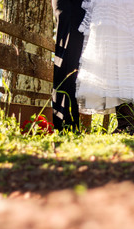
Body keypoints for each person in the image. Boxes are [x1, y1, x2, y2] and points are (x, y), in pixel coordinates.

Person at [75, 0, 134, 134]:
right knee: (121, 60)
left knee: (118, 58)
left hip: (112, 7)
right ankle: (126, 123)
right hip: (121, 7)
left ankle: (126, 124)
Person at [51, 0, 85, 131]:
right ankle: (64, 120)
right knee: (68, 55)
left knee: (77, 59)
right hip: (69, 5)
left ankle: (72, 121)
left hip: (81, 6)